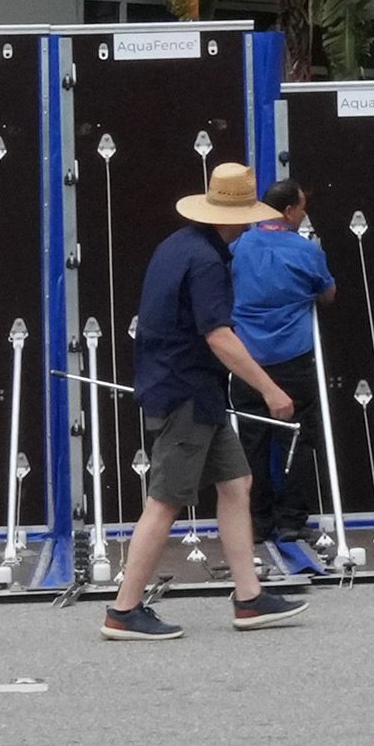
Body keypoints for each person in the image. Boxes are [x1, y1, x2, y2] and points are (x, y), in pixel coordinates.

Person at [102, 162, 308, 642]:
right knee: (165, 500)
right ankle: (123, 608)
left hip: (187, 388)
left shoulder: (176, 246)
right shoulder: (209, 261)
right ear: (234, 215)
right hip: (187, 392)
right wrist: (271, 389)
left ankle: (249, 598)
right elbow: (219, 336)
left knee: (236, 483)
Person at [227, 177, 334, 546]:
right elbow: (328, 293)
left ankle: (256, 522)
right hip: (292, 358)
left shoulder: (239, 247)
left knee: (250, 442)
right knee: (297, 440)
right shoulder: (306, 251)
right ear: (289, 211)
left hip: (247, 362)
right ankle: (290, 521)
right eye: (302, 208)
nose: (305, 215)